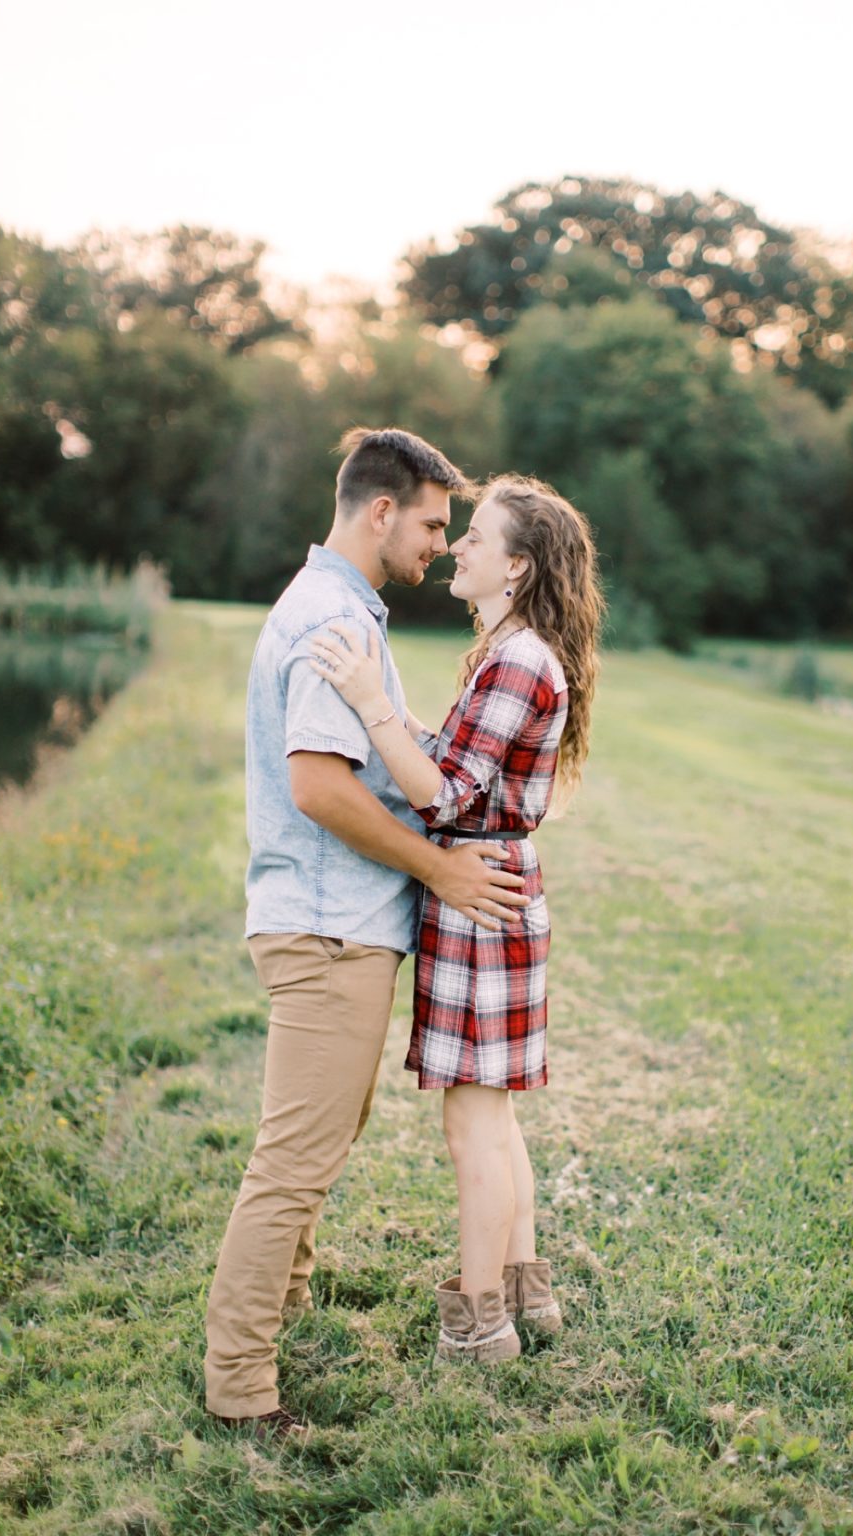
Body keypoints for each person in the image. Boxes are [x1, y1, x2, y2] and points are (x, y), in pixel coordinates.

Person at [204, 428, 530, 1439]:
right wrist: (440, 869)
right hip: (326, 927)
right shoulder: (330, 618)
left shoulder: (346, 612)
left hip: (339, 923)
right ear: (380, 510)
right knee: (294, 1157)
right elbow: (316, 785)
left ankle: (288, 1300)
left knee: (319, 1134)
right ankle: (241, 1386)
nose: (441, 543)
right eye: (433, 523)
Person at [309, 474, 603, 1363]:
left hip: (481, 894)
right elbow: (450, 758)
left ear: (515, 567)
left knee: (471, 1123)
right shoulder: (510, 650)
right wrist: (392, 710)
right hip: (495, 886)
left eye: (478, 537)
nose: (458, 546)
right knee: (494, 1114)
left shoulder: (518, 660)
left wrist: (367, 703)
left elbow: (443, 794)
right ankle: (526, 1292)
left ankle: (481, 1322)